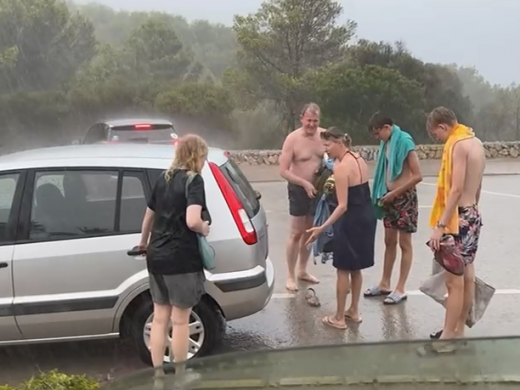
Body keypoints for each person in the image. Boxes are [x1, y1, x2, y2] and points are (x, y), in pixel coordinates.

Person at [137, 134, 210, 384]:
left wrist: (143, 243)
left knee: (159, 318)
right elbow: (192, 220)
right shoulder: (194, 181)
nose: (203, 162)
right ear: (195, 156)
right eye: (203, 157)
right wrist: (203, 228)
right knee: (180, 321)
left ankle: (158, 374)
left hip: (156, 256)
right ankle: (180, 375)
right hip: (181, 259)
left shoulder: (162, 178)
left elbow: (148, 218)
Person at [425, 107, 484, 349]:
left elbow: (456, 188)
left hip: (457, 218)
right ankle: (458, 330)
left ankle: (448, 337)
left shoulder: (458, 145)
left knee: (454, 281)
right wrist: (473, 210)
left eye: (435, 134)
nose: (438, 140)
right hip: (472, 213)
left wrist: (441, 225)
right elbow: (478, 184)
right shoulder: (476, 141)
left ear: (442, 126)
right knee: (467, 276)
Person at [306, 127, 376, 329]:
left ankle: (338, 317)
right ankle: (353, 311)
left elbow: (343, 205)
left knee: (343, 268)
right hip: (366, 217)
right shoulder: (358, 159)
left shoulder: (341, 167)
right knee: (356, 267)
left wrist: (321, 227)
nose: (326, 150)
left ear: (339, 142)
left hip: (350, 220)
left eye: (328, 145)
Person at [364, 112, 422, 305]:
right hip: (388, 197)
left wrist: (396, 193)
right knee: (389, 241)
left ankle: (401, 288)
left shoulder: (405, 141)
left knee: (405, 243)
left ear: (387, 127)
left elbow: (417, 176)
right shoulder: (385, 143)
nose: (376, 137)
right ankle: (384, 283)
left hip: (404, 198)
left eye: (377, 132)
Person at [279, 103, 325, 291]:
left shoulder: (324, 136)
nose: (312, 125)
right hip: (298, 188)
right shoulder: (293, 139)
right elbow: (282, 170)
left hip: (318, 189)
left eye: (315, 121)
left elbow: (335, 158)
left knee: (310, 231)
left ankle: (302, 270)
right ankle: (290, 275)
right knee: (296, 232)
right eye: (308, 121)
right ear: (301, 119)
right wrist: (304, 183)